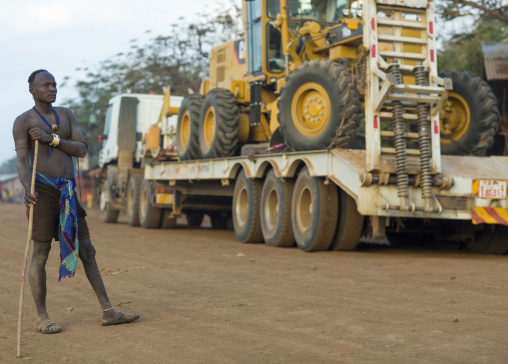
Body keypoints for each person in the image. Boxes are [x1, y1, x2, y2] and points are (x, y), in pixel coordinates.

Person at [12, 69, 140, 334]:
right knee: (40, 253)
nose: (52, 88)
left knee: (88, 251)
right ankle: (42, 317)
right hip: (43, 192)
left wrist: (52, 139)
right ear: (32, 90)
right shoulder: (23, 121)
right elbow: (22, 163)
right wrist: (27, 189)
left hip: (68, 193)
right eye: (46, 85)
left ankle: (108, 311)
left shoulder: (67, 114)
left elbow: (81, 149)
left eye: (54, 84)